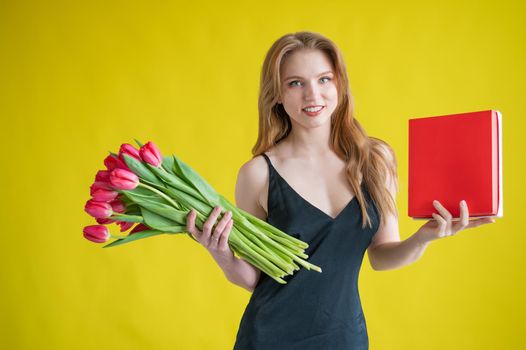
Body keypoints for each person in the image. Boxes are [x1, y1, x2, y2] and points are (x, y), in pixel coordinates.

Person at [185, 31, 495, 349]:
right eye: (295, 83)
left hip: (345, 337)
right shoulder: (258, 174)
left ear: (339, 84)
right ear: (276, 93)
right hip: (269, 338)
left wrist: (424, 237)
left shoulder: (376, 159)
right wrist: (221, 254)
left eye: (324, 79)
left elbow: (382, 255)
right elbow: (254, 278)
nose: (312, 95)